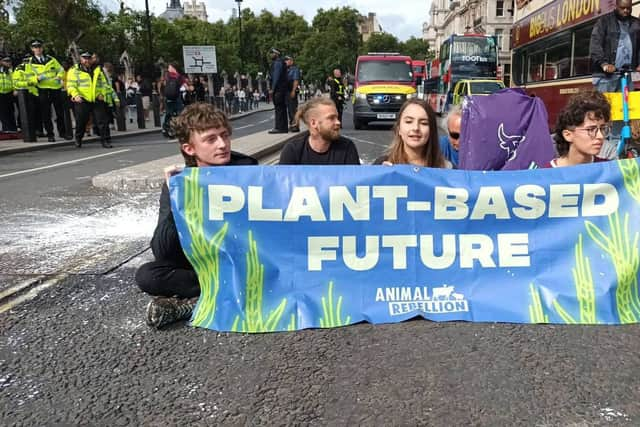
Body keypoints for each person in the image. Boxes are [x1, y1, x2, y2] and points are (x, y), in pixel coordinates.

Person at [135, 103, 258, 329]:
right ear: (190, 149)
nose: (222, 145)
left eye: (224, 136)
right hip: (204, 264)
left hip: (242, 258)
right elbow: (162, 251)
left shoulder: (248, 168)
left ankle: (198, 303)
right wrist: (177, 197)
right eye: (211, 139)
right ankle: (217, 294)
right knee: (147, 275)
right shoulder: (181, 181)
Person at [279, 97, 360, 165]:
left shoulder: (347, 147)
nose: (338, 122)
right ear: (313, 123)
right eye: (331, 118)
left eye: (337, 117)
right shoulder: (293, 151)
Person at [543, 90, 612, 167]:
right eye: (591, 129)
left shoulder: (609, 169)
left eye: (602, 128)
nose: (600, 136)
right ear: (568, 135)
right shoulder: (545, 175)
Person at [374, 99, 450, 168]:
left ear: (431, 130)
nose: (416, 128)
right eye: (408, 122)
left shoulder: (447, 169)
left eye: (424, 123)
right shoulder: (381, 165)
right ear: (398, 129)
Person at [589, 0, 640, 93]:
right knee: (606, 106)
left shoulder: (636, 23)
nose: (626, 11)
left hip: (627, 76)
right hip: (606, 78)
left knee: (627, 107)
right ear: (616, 6)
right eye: (622, 8)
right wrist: (604, 64)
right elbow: (595, 45)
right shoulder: (604, 21)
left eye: (629, 8)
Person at [66, 51, 111, 148]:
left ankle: (105, 141)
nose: (86, 60)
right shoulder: (74, 70)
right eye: (84, 58)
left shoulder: (98, 70)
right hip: (82, 99)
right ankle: (78, 138)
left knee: (102, 121)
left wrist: (101, 93)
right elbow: (70, 85)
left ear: (91, 59)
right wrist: (75, 95)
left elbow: (104, 84)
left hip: (96, 98)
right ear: (80, 59)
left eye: (88, 58)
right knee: (81, 121)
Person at [26, 39, 66, 142]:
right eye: (35, 47)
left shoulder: (51, 59)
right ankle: (50, 134)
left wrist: (59, 76)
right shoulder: (29, 62)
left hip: (55, 88)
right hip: (42, 89)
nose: (38, 49)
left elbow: (61, 70)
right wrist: (36, 79)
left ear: (42, 48)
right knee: (46, 113)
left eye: (39, 47)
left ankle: (63, 132)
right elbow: (27, 77)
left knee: (60, 112)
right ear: (32, 49)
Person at [12, 58, 39, 140]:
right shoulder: (19, 69)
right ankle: (26, 132)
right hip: (24, 94)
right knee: (25, 113)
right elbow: (16, 82)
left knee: (36, 113)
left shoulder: (34, 67)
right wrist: (29, 83)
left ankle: (36, 130)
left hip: (35, 93)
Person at [268, 48, 289, 133]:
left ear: (276, 54)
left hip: (278, 89)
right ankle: (283, 128)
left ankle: (279, 127)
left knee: (279, 108)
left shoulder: (277, 63)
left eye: (272, 53)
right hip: (282, 88)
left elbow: (276, 77)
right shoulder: (281, 62)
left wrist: (272, 89)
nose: (270, 55)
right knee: (282, 108)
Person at [162, 63, 185, 137]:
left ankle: (165, 127)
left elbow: (163, 85)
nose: (168, 69)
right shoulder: (179, 76)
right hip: (177, 97)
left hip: (168, 98)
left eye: (169, 67)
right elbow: (185, 85)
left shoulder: (167, 76)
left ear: (173, 68)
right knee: (180, 112)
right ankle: (180, 128)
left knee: (168, 113)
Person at [0, 56, 17, 132]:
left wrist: (15, 89)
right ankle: (6, 128)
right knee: (3, 111)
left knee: (11, 110)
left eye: (9, 61)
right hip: (1, 93)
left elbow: (14, 81)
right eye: (6, 61)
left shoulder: (11, 71)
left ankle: (13, 128)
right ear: (2, 62)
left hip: (9, 92)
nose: (8, 63)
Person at [284, 55, 301, 132]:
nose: (286, 61)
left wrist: (293, 91)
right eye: (285, 60)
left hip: (291, 89)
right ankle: (292, 124)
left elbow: (296, 80)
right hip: (287, 91)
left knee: (293, 109)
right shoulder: (286, 69)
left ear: (292, 61)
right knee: (289, 109)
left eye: (288, 60)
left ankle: (295, 126)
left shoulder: (295, 69)